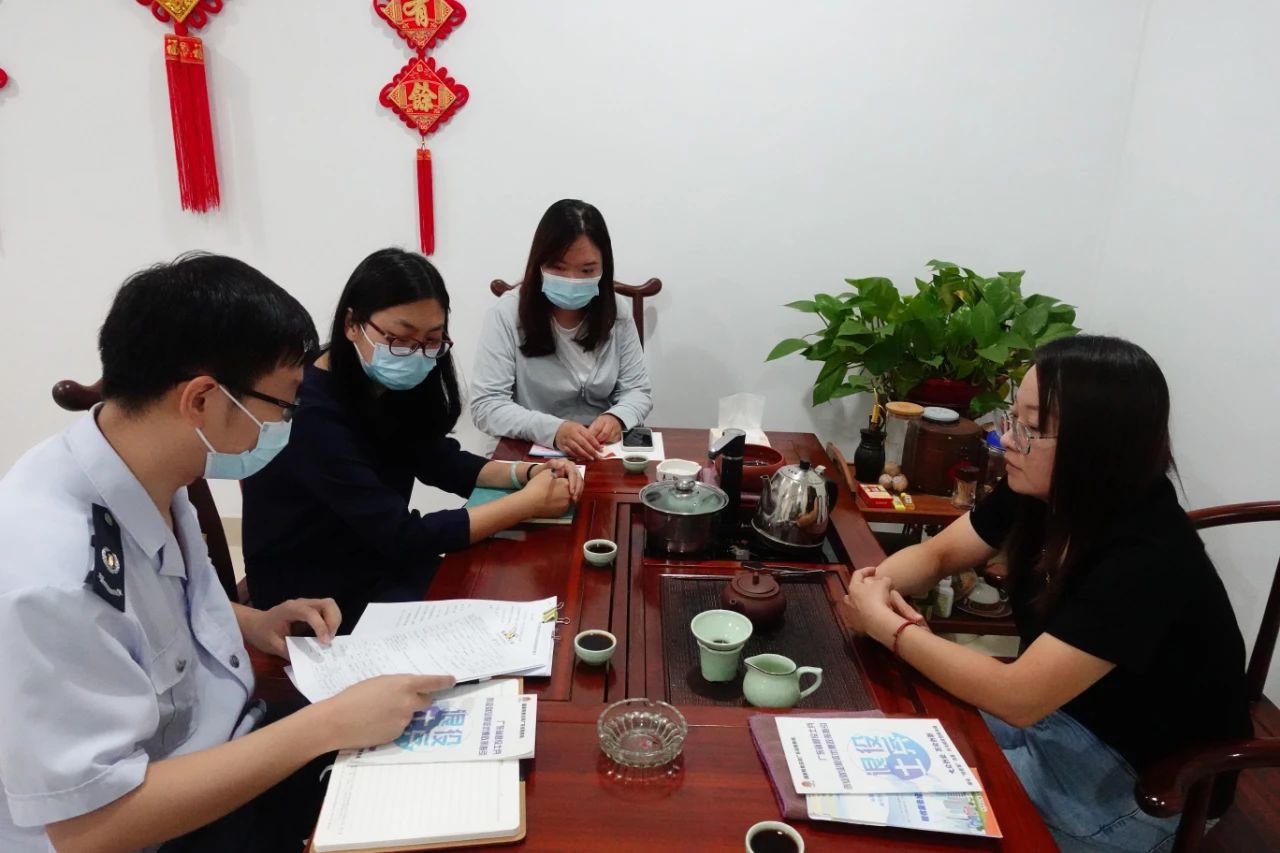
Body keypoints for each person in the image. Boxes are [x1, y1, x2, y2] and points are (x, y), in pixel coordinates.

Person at [0, 253, 454, 852]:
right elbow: (90, 828)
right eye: (284, 404)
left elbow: (146, 611)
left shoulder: (143, 462)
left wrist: (252, 622)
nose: (289, 422)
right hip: (164, 826)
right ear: (202, 400)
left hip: (228, 746)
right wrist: (326, 725)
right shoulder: (52, 574)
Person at [842, 335, 1251, 853]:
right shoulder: (1042, 489)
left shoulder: (1149, 555)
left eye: (1031, 429)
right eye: (1013, 419)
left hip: (1143, 780)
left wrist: (892, 628)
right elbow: (940, 555)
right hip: (1062, 714)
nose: (1006, 441)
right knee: (882, 741)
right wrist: (879, 585)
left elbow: (1018, 698)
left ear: (1097, 446)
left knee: (900, 813)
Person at [243, 249, 582, 627]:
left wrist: (527, 474)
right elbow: (401, 534)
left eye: (432, 340)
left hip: (376, 560)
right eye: (400, 339)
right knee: (497, 607)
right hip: (315, 594)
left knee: (527, 589)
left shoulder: (381, 380)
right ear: (352, 324)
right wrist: (525, 505)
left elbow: (438, 459)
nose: (416, 354)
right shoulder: (310, 412)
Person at [470, 198, 653, 460]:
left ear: (604, 267)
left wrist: (618, 417)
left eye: (587, 270)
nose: (572, 280)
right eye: (558, 267)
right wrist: (554, 430)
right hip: (529, 450)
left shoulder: (617, 312)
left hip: (599, 452)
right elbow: (486, 405)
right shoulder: (507, 313)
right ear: (539, 263)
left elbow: (638, 391)